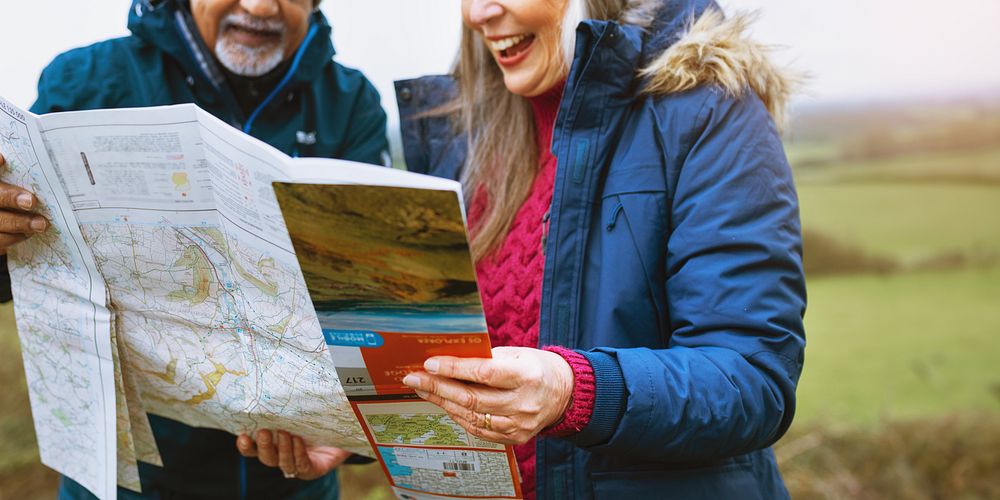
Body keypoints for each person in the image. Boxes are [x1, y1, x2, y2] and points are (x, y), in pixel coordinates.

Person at [242, 0, 805, 498]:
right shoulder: (462, 132)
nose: (478, 12)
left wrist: (574, 390)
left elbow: (752, 378)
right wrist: (353, 433)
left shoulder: (707, 112)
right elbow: (443, 362)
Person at [0, 0, 388, 498]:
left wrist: (347, 441)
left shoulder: (351, 103)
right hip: (128, 482)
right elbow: (32, 267)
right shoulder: (86, 82)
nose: (260, 7)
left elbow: (374, 308)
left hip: (290, 484)